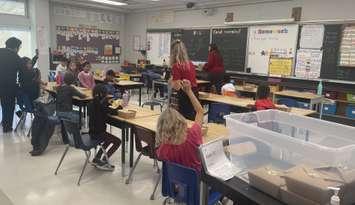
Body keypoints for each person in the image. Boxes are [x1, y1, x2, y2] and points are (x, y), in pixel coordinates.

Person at [156, 79, 204, 172]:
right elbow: (200, 111)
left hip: (174, 182)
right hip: (195, 181)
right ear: (181, 120)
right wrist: (189, 91)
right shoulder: (193, 134)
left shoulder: (162, 150)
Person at [89, 84, 121, 171]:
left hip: (92, 132)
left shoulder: (92, 102)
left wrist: (106, 103)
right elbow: (114, 112)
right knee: (117, 141)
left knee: (108, 139)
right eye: (105, 94)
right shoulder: (101, 105)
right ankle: (104, 160)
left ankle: (97, 158)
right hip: (99, 133)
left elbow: (103, 110)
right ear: (101, 94)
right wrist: (119, 106)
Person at [170, 40, 198, 120]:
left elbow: (177, 87)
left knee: (183, 121)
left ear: (173, 53)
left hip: (185, 96)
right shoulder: (191, 64)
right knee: (192, 119)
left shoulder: (176, 66)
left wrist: (171, 81)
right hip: (194, 94)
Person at [0, 37, 24, 132]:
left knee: (3, 105)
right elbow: (23, 70)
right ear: (16, 47)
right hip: (8, 86)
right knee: (8, 106)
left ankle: (4, 122)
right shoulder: (15, 56)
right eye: (19, 47)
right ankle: (7, 127)